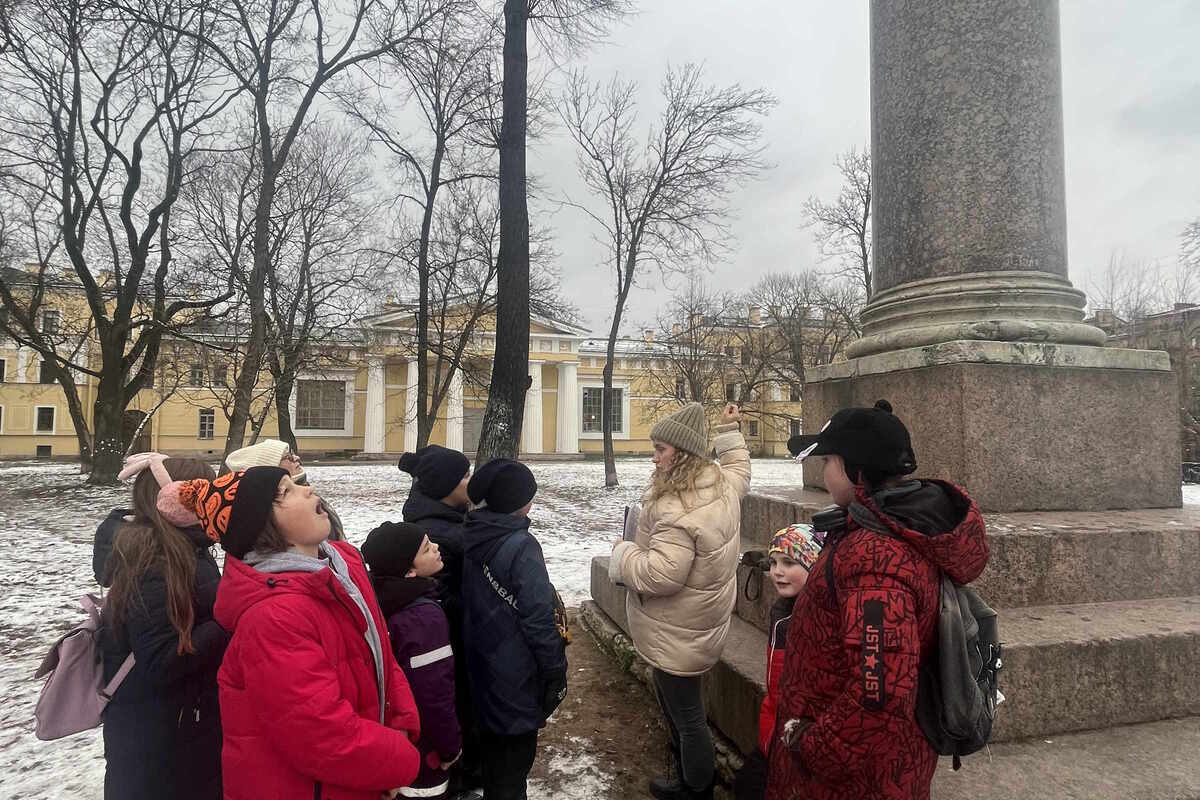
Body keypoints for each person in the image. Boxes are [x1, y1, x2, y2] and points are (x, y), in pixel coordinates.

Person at [767, 400, 990, 800]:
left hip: (854, 778)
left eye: (829, 460)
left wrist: (815, 747)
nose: (823, 470)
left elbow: (879, 691)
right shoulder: (876, 531)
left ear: (857, 472)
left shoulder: (874, 559)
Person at [160, 465, 422, 799]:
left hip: (361, 774)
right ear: (262, 528)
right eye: (286, 492)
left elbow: (381, 654)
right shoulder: (274, 617)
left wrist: (401, 725)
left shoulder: (343, 569)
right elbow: (320, 734)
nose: (307, 489)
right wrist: (398, 759)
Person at [609, 402, 751, 800]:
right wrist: (729, 430)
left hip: (677, 630)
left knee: (687, 718)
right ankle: (690, 779)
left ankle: (695, 788)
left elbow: (660, 575)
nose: (654, 458)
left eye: (661, 450)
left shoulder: (677, 506)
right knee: (682, 705)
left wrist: (622, 554)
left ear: (684, 454)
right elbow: (739, 468)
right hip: (695, 624)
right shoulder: (720, 483)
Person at [97, 453, 229, 800]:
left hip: (179, 729)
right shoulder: (155, 564)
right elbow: (160, 660)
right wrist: (228, 619)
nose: (214, 501)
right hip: (160, 744)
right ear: (176, 500)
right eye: (204, 493)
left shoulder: (185, 549)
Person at [460, 458, 567, 800]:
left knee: (494, 764)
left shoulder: (474, 532)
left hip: (482, 668)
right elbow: (537, 618)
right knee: (513, 771)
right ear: (521, 502)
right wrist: (554, 670)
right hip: (516, 676)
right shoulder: (522, 545)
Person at [396, 445, 480, 792]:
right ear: (446, 487)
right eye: (465, 476)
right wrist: (481, 605)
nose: (470, 481)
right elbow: (441, 597)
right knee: (456, 708)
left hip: (456, 643)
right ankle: (460, 776)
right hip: (452, 647)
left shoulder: (445, 519)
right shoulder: (439, 535)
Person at [362, 522, 462, 800]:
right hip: (424, 748)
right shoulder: (422, 619)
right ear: (409, 571)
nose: (437, 548)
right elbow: (433, 693)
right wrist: (449, 747)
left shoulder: (381, 599)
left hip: (394, 740)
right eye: (427, 549)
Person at [734, 524, 824, 800]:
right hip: (773, 728)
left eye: (789, 563)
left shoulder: (815, 619)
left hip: (795, 737)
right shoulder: (783, 611)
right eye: (773, 563)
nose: (777, 572)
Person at [225, 438, 344, 540]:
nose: (296, 458)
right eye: (287, 457)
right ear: (272, 468)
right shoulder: (281, 512)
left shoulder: (305, 491)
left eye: (292, 453)